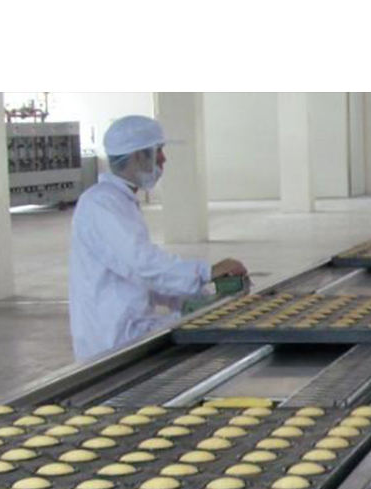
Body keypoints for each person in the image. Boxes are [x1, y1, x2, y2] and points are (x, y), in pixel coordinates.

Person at [68, 115, 247, 361]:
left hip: (128, 330)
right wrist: (207, 272)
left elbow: (142, 276)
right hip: (111, 341)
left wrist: (199, 299)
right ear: (137, 156)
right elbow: (142, 265)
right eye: (158, 151)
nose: (163, 159)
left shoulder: (119, 201)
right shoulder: (101, 204)